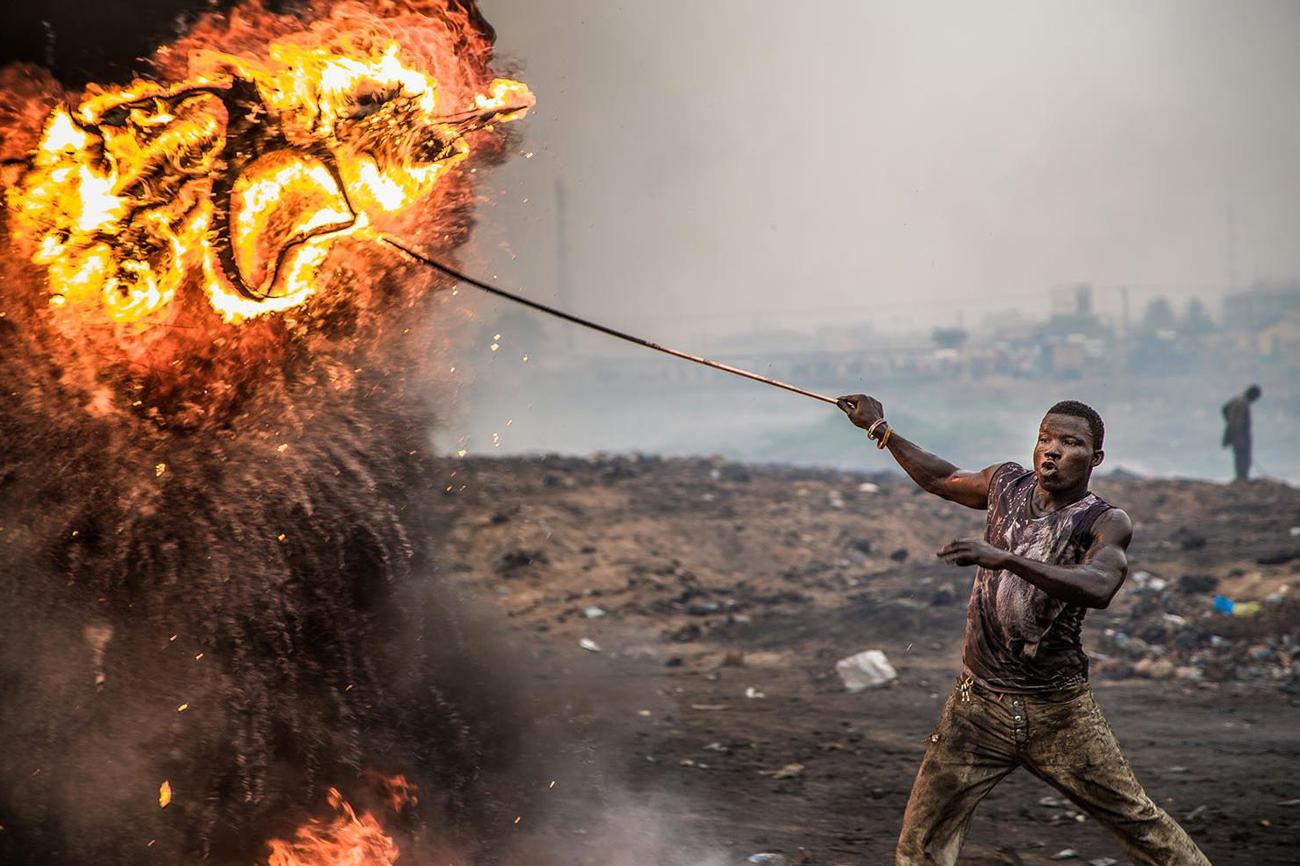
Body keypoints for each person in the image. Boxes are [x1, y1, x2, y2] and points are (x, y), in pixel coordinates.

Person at [836, 394, 1211, 866]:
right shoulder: (1005, 485)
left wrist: (1008, 558)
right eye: (1045, 439)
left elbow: (1099, 586)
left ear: (1095, 459)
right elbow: (939, 477)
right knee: (922, 844)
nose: (1051, 450)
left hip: (1058, 711)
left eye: (1070, 443)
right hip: (977, 706)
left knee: (1140, 824)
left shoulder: (1104, 521)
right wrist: (882, 430)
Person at [1221, 385, 1261, 482]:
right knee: (1243, 457)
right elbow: (1236, 421)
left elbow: (1225, 409)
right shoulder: (1242, 403)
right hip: (1240, 435)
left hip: (1237, 434)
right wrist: (1235, 434)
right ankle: (1242, 477)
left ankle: (1242, 477)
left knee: (1240, 456)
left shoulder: (1238, 400)